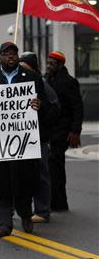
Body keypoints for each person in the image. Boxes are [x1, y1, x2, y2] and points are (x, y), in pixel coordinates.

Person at [0, 42, 49, 238]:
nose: (10, 57)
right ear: (0, 57)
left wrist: (40, 104)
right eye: (6, 54)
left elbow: (48, 105)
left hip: (23, 142)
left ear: (17, 56)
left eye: (13, 54)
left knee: (23, 184)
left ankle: (25, 214)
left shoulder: (32, 78)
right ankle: (2, 225)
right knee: (1, 184)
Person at [20, 52, 60, 223]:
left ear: (33, 69)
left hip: (38, 138)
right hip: (19, 139)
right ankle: (9, 207)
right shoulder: (13, 84)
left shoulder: (42, 86)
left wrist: (41, 107)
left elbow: (55, 112)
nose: (22, 71)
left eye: (25, 68)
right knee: (18, 176)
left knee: (40, 175)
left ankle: (42, 210)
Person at [45, 51, 83, 211]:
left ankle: (60, 203)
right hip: (49, 129)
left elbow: (77, 107)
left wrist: (75, 131)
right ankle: (51, 201)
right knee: (49, 166)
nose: (48, 66)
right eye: (48, 62)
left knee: (55, 165)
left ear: (60, 65)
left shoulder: (69, 82)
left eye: (52, 63)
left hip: (63, 130)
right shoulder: (45, 79)